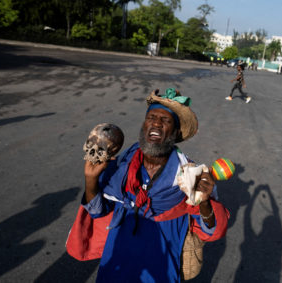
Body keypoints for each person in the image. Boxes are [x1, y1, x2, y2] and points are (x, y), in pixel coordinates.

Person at [67, 88, 229, 282]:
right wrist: (91, 179)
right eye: (151, 117)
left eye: (166, 120)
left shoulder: (190, 175)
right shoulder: (120, 167)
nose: (156, 123)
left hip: (160, 271)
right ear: (144, 125)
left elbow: (212, 230)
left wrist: (203, 202)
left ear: (176, 132)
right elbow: (97, 211)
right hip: (115, 267)